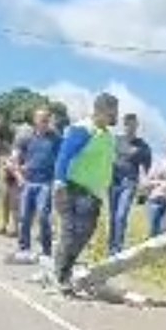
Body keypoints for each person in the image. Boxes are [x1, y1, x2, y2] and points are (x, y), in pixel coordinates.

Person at [51, 92, 119, 295]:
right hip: (73, 189)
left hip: (93, 194)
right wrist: (59, 181)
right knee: (71, 233)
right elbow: (64, 155)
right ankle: (61, 276)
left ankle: (64, 266)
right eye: (113, 111)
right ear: (102, 110)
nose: (116, 115)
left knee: (85, 233)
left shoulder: (107, 136)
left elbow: (106, 165)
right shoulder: (84, 129)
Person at [8, 108, 62, 264]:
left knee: (44, 217)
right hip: (28, 182)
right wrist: (19, 177)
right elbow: (13, 159)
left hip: (46, 183)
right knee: (24, 216)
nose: (44, 122)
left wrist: (59, 181)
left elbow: (63, 159)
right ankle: (24, 248)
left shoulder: (56, 139)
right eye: (41, 119)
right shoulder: (26, 138)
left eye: (46, 119)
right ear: (35, 121)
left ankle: (46, 250)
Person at [107, 113, 152, 256]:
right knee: (113, 216)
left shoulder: (142, 145)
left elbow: (147, 169)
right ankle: (111, 248)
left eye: (133, 125)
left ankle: (117, 249)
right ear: (124, 125)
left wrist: (145, 190)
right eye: (127, 125)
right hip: (113, 182)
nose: (130, 128)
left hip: (130, 183)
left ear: (136, 126)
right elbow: (106, 159)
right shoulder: (115, 141)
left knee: (121, 215)